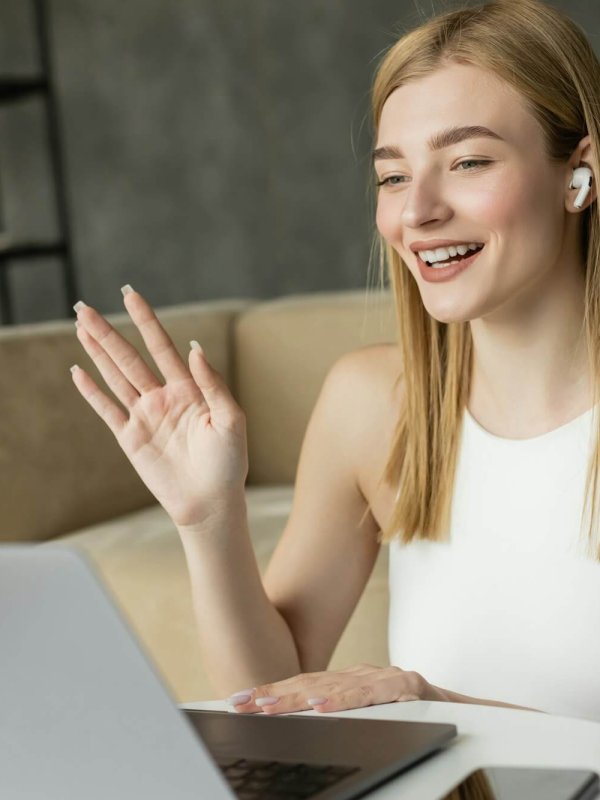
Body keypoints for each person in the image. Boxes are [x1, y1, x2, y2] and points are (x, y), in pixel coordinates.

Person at [70, 0, 600, 721]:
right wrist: (209, 521)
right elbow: (273, 693)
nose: (417, 213)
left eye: (468, 161)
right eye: (392, 177)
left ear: (580, 172)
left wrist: (436, 701)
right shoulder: (371, 403)